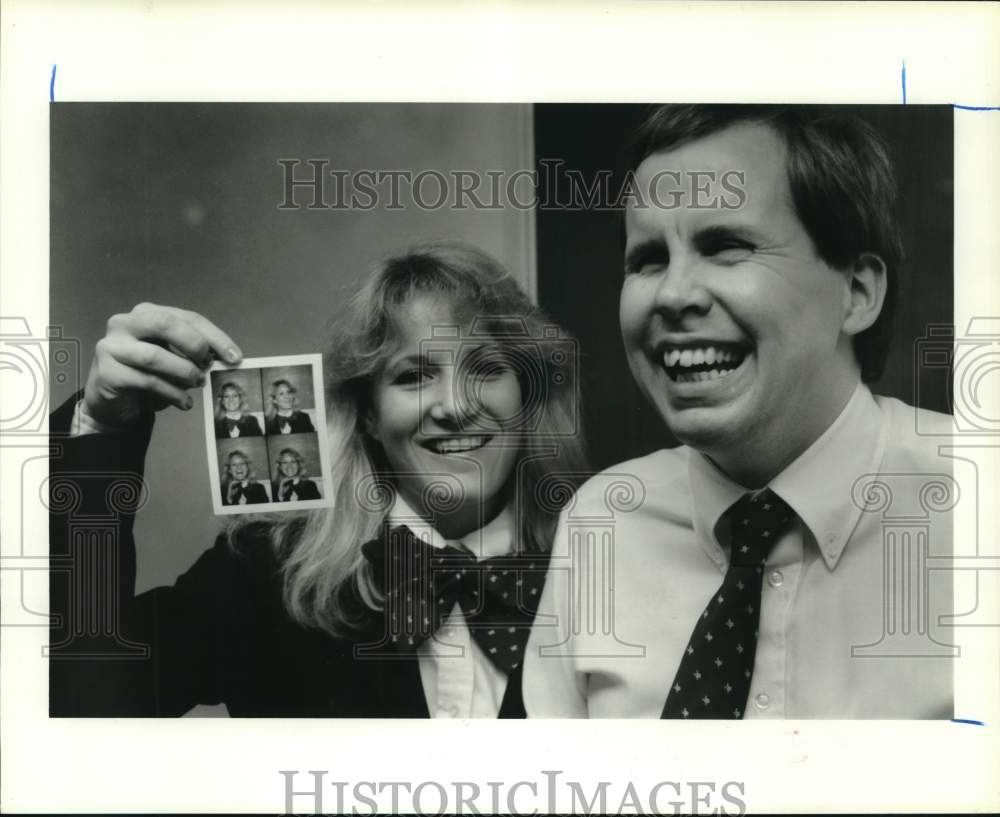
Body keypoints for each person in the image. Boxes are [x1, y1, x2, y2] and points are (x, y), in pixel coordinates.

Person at [523, 105, 955, 719]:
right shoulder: (600, 522)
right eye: (647, 259)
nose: (672, 295)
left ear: (855, 293)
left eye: (726, 246)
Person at [49, 241, 587, 717]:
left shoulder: (606, 567)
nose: (454, 406)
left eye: (486, 368)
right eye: (414, 375)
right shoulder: (267, 574)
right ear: (369, 414)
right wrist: (99, 431)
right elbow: (80, 696)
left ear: (526, 396)